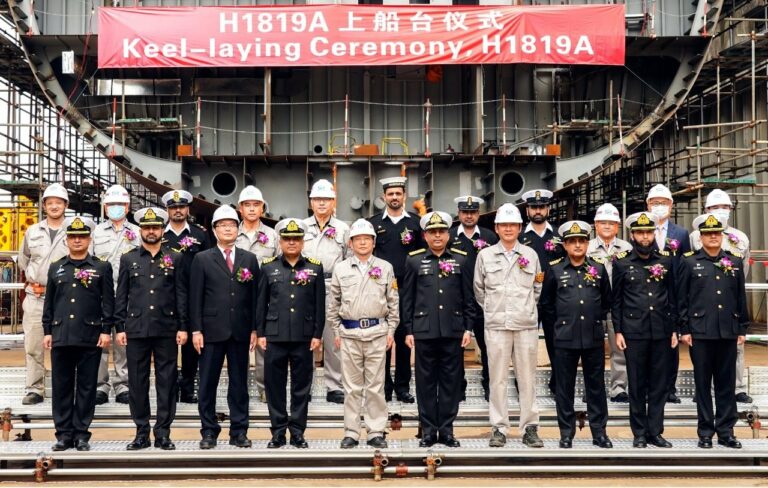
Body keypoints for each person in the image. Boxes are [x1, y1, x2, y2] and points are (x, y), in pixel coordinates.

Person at [115, 207, 188, 451]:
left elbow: (181, 294)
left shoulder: (175, 257)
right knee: (137, 382)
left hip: (167, 328)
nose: (151, 231)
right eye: (147, 228)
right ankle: (141, 432)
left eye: (155, 227)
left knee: (167, 382)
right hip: (136, 328)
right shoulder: (129, 258)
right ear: (141, 231)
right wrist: (119, 326)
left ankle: (163, 433)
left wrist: (183, 326)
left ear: (162, 230)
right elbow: (122, 294)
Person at [402, 211, 476, 448]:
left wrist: (468, 328)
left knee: (450, 383)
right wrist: (408, 330)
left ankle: (446, 430)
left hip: (453, 331)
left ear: (448, 234)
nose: (437, 236)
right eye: (432, 232)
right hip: (424, 331)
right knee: (425, 383)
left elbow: (468, 297)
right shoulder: (414, 260)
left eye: (441, 232)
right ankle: (427, 431)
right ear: (425, 236)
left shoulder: (461, 259)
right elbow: (408, 298)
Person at [473, 203, 543, 448]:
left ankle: (530, 427)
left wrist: (525, 308)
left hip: (525, 325)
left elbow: (537, 288)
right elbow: (479, 290)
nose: (508, 229)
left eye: (513, 225)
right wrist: (494, 309)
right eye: (504, 225)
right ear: (496, 228)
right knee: (497, 379)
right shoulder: (485, 256)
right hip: (497, 325)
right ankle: (499, 427)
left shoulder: (531, 255)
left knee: (527, 378)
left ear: (520, 228)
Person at [189, 205, 259, 449]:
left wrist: (254, 329)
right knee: (207, 383)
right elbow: (195, 297)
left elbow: (255, 297)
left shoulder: (249, 259)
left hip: (240, 330)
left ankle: (239, 431)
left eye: (232, 225)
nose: (228, 229)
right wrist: (196, 330)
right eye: (222, 225)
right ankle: (209, 431)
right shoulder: (202, 259)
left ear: (238, 229)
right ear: (214, 230)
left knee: (239, 384)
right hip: (210, 331)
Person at [42, 216, 113, 451]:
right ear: (67, 240)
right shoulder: (57, 267)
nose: (77, 240)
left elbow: (108, 302)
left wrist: (106, 330)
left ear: (89, 239)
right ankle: (63, 434)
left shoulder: (101, 267)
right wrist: (47, 331)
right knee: (61, 387)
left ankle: (82, 434)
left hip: (89, 335)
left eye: (82, 236)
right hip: (61, 334)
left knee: (86, 387)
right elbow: (50, 302)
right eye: (73, 236)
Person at [540, 221, 613, 449]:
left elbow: (606, 301)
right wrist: (559, 327)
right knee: (564, 388)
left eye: (582, 241)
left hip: (592, 336)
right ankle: (566, 433)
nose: (578, 245)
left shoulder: (598, 268)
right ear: (565, 245)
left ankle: (599, 433)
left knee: (596, 387)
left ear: (587, 243)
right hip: (565, 338)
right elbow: (546, 305)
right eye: (572, 241)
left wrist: (593, 319)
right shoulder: (555, 269)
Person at [679, 213, 748, 449]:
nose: (713, 237)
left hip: (727, 330)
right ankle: (705, 432)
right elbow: (682, 298)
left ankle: (726, 432)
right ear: (701, 237)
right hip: (700, 331)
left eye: (716, 233)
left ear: (722, 236)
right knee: (702, 385)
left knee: (726, 384)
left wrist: (742, 327)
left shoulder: (734, 261)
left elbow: (740, 297)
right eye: (708, 234)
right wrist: (684, 328)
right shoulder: (689, 262)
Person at [328, 219, 399, 449]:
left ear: (374, 242)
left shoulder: (385, 267)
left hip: (377, 334)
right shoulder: (341, 269)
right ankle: (351, 432)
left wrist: (391, 330)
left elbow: (393, 302)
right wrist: (336, 331)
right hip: (349, 334)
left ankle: (376, 431)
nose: (362, 243)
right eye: (358, 239)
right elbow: (333, 303)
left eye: (367, 239)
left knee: (376, 387)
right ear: (350, 243)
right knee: (351, 388)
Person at [257, 219, 325, 449]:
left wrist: (317, 334)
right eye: (287, 239)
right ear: (280, 241)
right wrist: (261, 332)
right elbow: (261, 303)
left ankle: (297, 432)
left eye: (296, 239)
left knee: (301, 387)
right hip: (274, 335)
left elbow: (319, 305)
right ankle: (278, 432)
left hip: (304, 336)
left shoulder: (315, 267)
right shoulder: (268, 267)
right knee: (274, 386)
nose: (292, 242)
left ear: (303, 242)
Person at [611, 211, 677, 448]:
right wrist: (618, 331)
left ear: (654, 234)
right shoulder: (621, 262)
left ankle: (655, 432)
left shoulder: (666, 260)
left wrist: (674, 329)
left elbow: (673, 296)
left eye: (648, 232)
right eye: (640, 233)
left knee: (659, 384)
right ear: (632, 235)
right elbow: (616, 300)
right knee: (637, 384)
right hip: (634, 331)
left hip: (661, 330)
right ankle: (639, 433)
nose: (645, 237)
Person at [689, 189, 752, 404]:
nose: (720, 210)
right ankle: (703, 389)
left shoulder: (740, 238)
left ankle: (737, 387)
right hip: (704, 301)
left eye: (725, 207)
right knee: (704, 352)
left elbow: (742, 271)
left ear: (731, 209)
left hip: (729, 300)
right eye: (715, 207)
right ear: (706, 209)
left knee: (735, 346)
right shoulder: (695, 236)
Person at [367, 176, 424, 403]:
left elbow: (422, 257)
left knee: (403, 338)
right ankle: (384, 387)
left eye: (398, 193)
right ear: (384, 197)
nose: (394, 197)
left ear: (404, 196)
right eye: (390, 194)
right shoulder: (373, 224)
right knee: (382, 339)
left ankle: (402, 387)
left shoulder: (416, 223)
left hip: (407, 290)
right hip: (379, 291)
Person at [18, 183, 70, 405]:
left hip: (65, 297)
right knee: (33, 345)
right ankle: (35, 389)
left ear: (65, 205)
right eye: (50, 203)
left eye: (58, 202)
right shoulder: (33, 231)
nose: (54, 206)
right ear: (44, 206)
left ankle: (64, 388)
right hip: (37, 296)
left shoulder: (74, 230)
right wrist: (37, 277)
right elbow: (24, 259)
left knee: (66, 345)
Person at [91, 184, 140, 405]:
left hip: (127, 295)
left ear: (127, 207)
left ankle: (123, 385)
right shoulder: (96, 232)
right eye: (111, 204)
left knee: (123, 341)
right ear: (105, 207)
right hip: (101, 294)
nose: (116, 208)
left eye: (120, 204)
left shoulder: (137, 232)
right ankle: (100, 386)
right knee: (100, 341)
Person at [303, 179, 350, 404]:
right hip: (305, 286)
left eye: (326, 199)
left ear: (333, 202)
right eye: (317, 199)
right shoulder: (301, 227)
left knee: (334, 339)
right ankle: (304, 386)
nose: (322, 203)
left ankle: (335, 386)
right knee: (306, 338)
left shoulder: (343, 229)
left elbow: (350, 260)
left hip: (333, 286)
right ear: (311, 202)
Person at [163, 189, 211, 404]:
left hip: (193, 297)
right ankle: (170, 388)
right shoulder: (160, 234)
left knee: (192, 347)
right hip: (166, 297)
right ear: (167, 210)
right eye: (173, 207)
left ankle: (188, 387)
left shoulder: (199, 235)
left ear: (188, 209)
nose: (178, 211)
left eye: (181, 207)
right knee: (167, 346)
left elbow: (209, 264)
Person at [450, 195, 498, 401]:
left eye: (472, 212)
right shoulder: (450, 236)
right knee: (456, 347)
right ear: (459, 213)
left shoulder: (489, 237)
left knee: (489, 346)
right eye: (465, 212)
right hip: (457, 300)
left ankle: (490, 385)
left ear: (478, 214)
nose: (469, 216)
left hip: (484, 300)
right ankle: (458, 387)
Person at [646, 183, 690, 404]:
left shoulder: (681, 234)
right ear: (647, 205)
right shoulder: (642, 229)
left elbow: (687, 262)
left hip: (674, 293)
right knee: (649, 343)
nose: (659, 206)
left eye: (663, 203)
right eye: (655, 203)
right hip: (649, 293)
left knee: (672, 342)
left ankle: (670, 388)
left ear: (671, 206)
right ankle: (649, 387)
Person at [234, 185, 278, 403]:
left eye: (256, 205)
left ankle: (264, 387)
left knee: (263, 342)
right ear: (240, 209)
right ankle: (239, 387)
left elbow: (280, 264)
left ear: (262, 208)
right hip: (237, 296)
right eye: (247, 205)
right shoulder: (232, 232)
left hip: (266, 296)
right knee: (237, 342)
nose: (251, 209)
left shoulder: (273, 235)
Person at [587, 203, 633, 403]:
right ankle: (593, 389)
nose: (607, 226)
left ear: (618, 226)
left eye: (611, 223)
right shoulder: (587, 247)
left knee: (619, 348)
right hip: (594, 305)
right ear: (595, 224)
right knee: (592, 350)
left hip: (618, 305)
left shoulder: (626, 248)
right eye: (602, 222)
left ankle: (619, 388)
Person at [519, 188, 563, 395]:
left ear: (548, 209)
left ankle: (558, 385)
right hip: (527, 301)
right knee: (525, 347)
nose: (538, 211)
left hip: (555, 300)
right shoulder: (520, 237)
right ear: (527, 210)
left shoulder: (559, 236)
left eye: (542, 207)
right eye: (534, 207)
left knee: (557, 346)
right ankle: (524, 386)